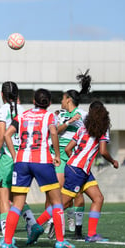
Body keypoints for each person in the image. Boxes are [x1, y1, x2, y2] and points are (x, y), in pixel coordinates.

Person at [2, 88, 75, 248]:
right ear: (48, 103)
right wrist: (57, 154)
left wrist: (15, 155)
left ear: (33, 101)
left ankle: (7, 242)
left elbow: (7, 135)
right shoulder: (49, 116)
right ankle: (61, 241)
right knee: (57, 201)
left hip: (21, 161)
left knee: (17, 204)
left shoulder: (21, 116)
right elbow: (54, 133)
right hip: (42, 160)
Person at [0, 82, 40, 248]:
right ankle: (33, 224)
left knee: (3, 197)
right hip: (25, 156)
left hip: (9, 158)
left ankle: (6, 238)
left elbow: (2, 135)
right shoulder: (25, 110)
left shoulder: (2, 110)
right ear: (18, 96)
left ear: (2, 94)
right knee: (16, 197)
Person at [62, 100, 119, 242]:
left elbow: (68, 149)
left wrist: (75, 162)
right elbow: (103, 151)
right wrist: (113, 161)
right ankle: (37, 225)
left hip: (79, 169)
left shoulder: (83, 128)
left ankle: (92, 234)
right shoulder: (102, 129)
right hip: (78, 170)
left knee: (98, 198)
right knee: (62, 204)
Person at [47, 69, 92, 239]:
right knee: (58, 190)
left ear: (69, 100)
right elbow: (55, 131)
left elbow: (92, 131)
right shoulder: (62, 115)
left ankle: (76, 227)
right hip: (61, 156)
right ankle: (57, 220)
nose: (61, 101)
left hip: (76, 156)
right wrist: (68, 123)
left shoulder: (84, 115)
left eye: (63, 98)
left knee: (77, 192)